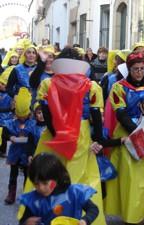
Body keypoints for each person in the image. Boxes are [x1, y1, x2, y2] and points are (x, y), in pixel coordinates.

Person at [20, 47, 107, 225]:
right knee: (80, 176)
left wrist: (58, 135)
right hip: (80, 135)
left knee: (49, 172)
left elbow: (48, 115)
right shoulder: (91, 86)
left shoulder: (49, 84)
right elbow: (96, 116)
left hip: (54, 135)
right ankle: (78, 217)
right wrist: (98, 141)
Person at [105, 52, 144, 224]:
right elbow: (121, 114)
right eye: (135, 69)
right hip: (127, 134)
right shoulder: (118, 87)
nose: (139, 72)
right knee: (129, 176)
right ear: (129, 69)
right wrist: (138, 134)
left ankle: (143, 211)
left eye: (142, 69)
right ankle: (128, 213)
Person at [19, 153, 99, 225]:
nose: (41, 188)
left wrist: (85, 220)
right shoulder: (34, 200)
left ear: (57, 177)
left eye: (45, 183)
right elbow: (23, 221)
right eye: (36, 184)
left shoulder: (75, 193)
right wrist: (26, 222)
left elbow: (93, 209)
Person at [1, 88, 36, 205]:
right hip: (15, 152)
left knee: (27, 174)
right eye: (19, 116)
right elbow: (5, 132)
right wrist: (11, 137)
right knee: (13, 173)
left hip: (27, 152)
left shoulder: (32, 123)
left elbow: (34, 136)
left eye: (24, 116)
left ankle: (27, 194)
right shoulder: (11, 122)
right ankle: (11, 193)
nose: (21, 118)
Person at [0, 74, 14, 158]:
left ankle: (3, 151)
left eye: (3, 84)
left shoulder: (11, 94)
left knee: (4, 136)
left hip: (7, 120)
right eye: (0, 83)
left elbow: (12, 108)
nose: (1, 85)